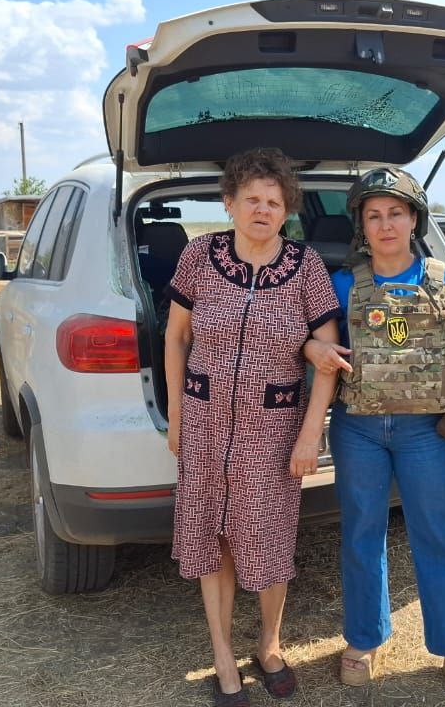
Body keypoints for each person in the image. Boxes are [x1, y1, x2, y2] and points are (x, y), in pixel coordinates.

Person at [303, 167, 445, 700]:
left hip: (424, 430)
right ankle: (364, 640)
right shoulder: (343, 284)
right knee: (361, 534)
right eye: (373, 216)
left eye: (395, 213)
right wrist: (311, 350)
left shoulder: (443, 280)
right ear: (361, 226)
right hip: (358, 429)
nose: (385, 225)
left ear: (414, 219)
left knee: (440, 535)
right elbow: (318, 348)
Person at [164, 147, 342, 707]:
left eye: (274, 201)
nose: (263, 210)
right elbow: (176, 337)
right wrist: (176, 415)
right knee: (210, 536)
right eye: (251, 199)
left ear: (287, 210)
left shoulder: (305, 266)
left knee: (268, 539)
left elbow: (330, 356)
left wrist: (310, 434)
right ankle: (222, 656)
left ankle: (269, 644)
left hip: (273, 431)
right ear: (229, 203)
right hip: (204, 423)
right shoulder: (199, 256)